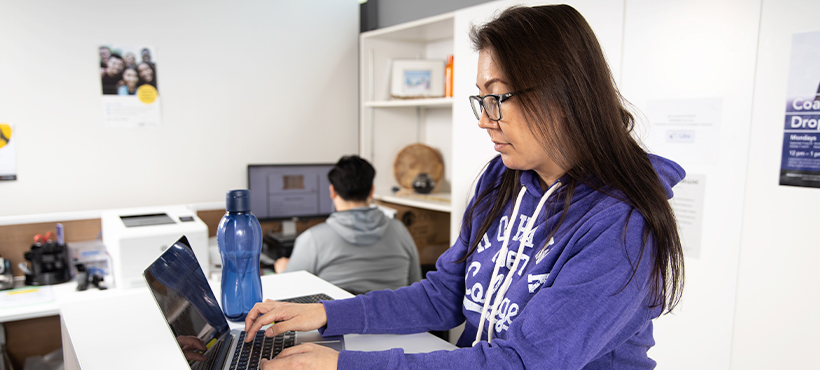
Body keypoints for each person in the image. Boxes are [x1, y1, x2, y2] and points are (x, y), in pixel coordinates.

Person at [244, 5, 686, 370]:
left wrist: (345, 365)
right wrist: (325, 314)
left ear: (562, 94)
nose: (483, 119)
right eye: (481, 98)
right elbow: (445, 295)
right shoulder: (503, 179)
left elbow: (522, 363)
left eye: (496, 98)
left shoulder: (623, 225)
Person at [274, 155, 422, 295]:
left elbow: (288, 291)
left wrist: (282, 271)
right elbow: (417, 286)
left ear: (332, 191)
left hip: (342, 320)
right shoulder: (400, 230)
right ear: (372, 191)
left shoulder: (313, 239)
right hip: (392, 320)